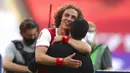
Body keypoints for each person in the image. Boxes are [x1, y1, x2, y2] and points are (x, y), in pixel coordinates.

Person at [35, 4, 91, 73]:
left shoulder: (75, 38)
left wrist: (64, 38)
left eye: (73, 17)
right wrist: (63, 62)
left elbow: (87, 49)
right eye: (66, 15)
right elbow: (39, 57)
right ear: (61, 17)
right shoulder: (48, 32)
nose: (69, 19)